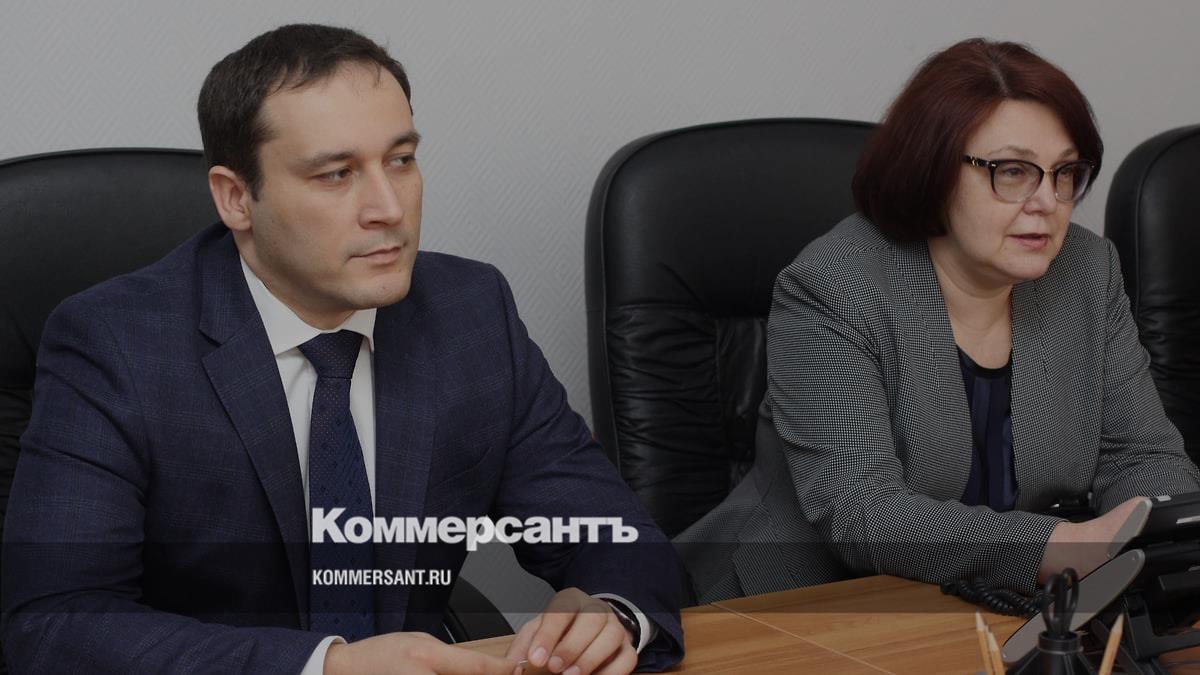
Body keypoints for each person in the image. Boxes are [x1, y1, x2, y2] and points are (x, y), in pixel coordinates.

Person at [1, 24, 686, 674]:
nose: (389, 207)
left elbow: (615, 536)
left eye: (401, 160)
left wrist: (610, 611)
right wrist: (327, 666)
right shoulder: (114, 344)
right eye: (336, 174)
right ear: (236, 198)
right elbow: (53, 623)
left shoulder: (471, 312)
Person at [676, 38, 1200, 604]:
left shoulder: (1085, 270)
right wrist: (1064, 546)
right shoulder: (834, 286)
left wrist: (1145, 534)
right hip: (806, 602)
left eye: (1064, 172)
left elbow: (1142, 454)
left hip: (1005, 603)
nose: (1049, 202)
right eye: (1013, 171)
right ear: (933, 172)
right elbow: (860, 510)